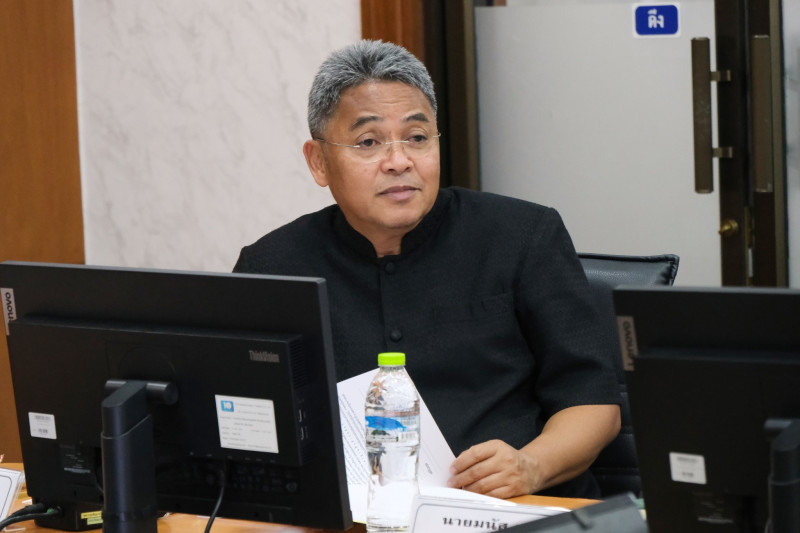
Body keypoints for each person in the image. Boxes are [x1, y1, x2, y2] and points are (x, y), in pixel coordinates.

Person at [233, 40, 621, 499]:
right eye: (369, 142)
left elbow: (595, 403)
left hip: (513, 508)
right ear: (319, 162)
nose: (399, 161)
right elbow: (242, 419)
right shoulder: (273, 267)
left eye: (417, 138)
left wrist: (531, 466)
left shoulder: (522, 235)